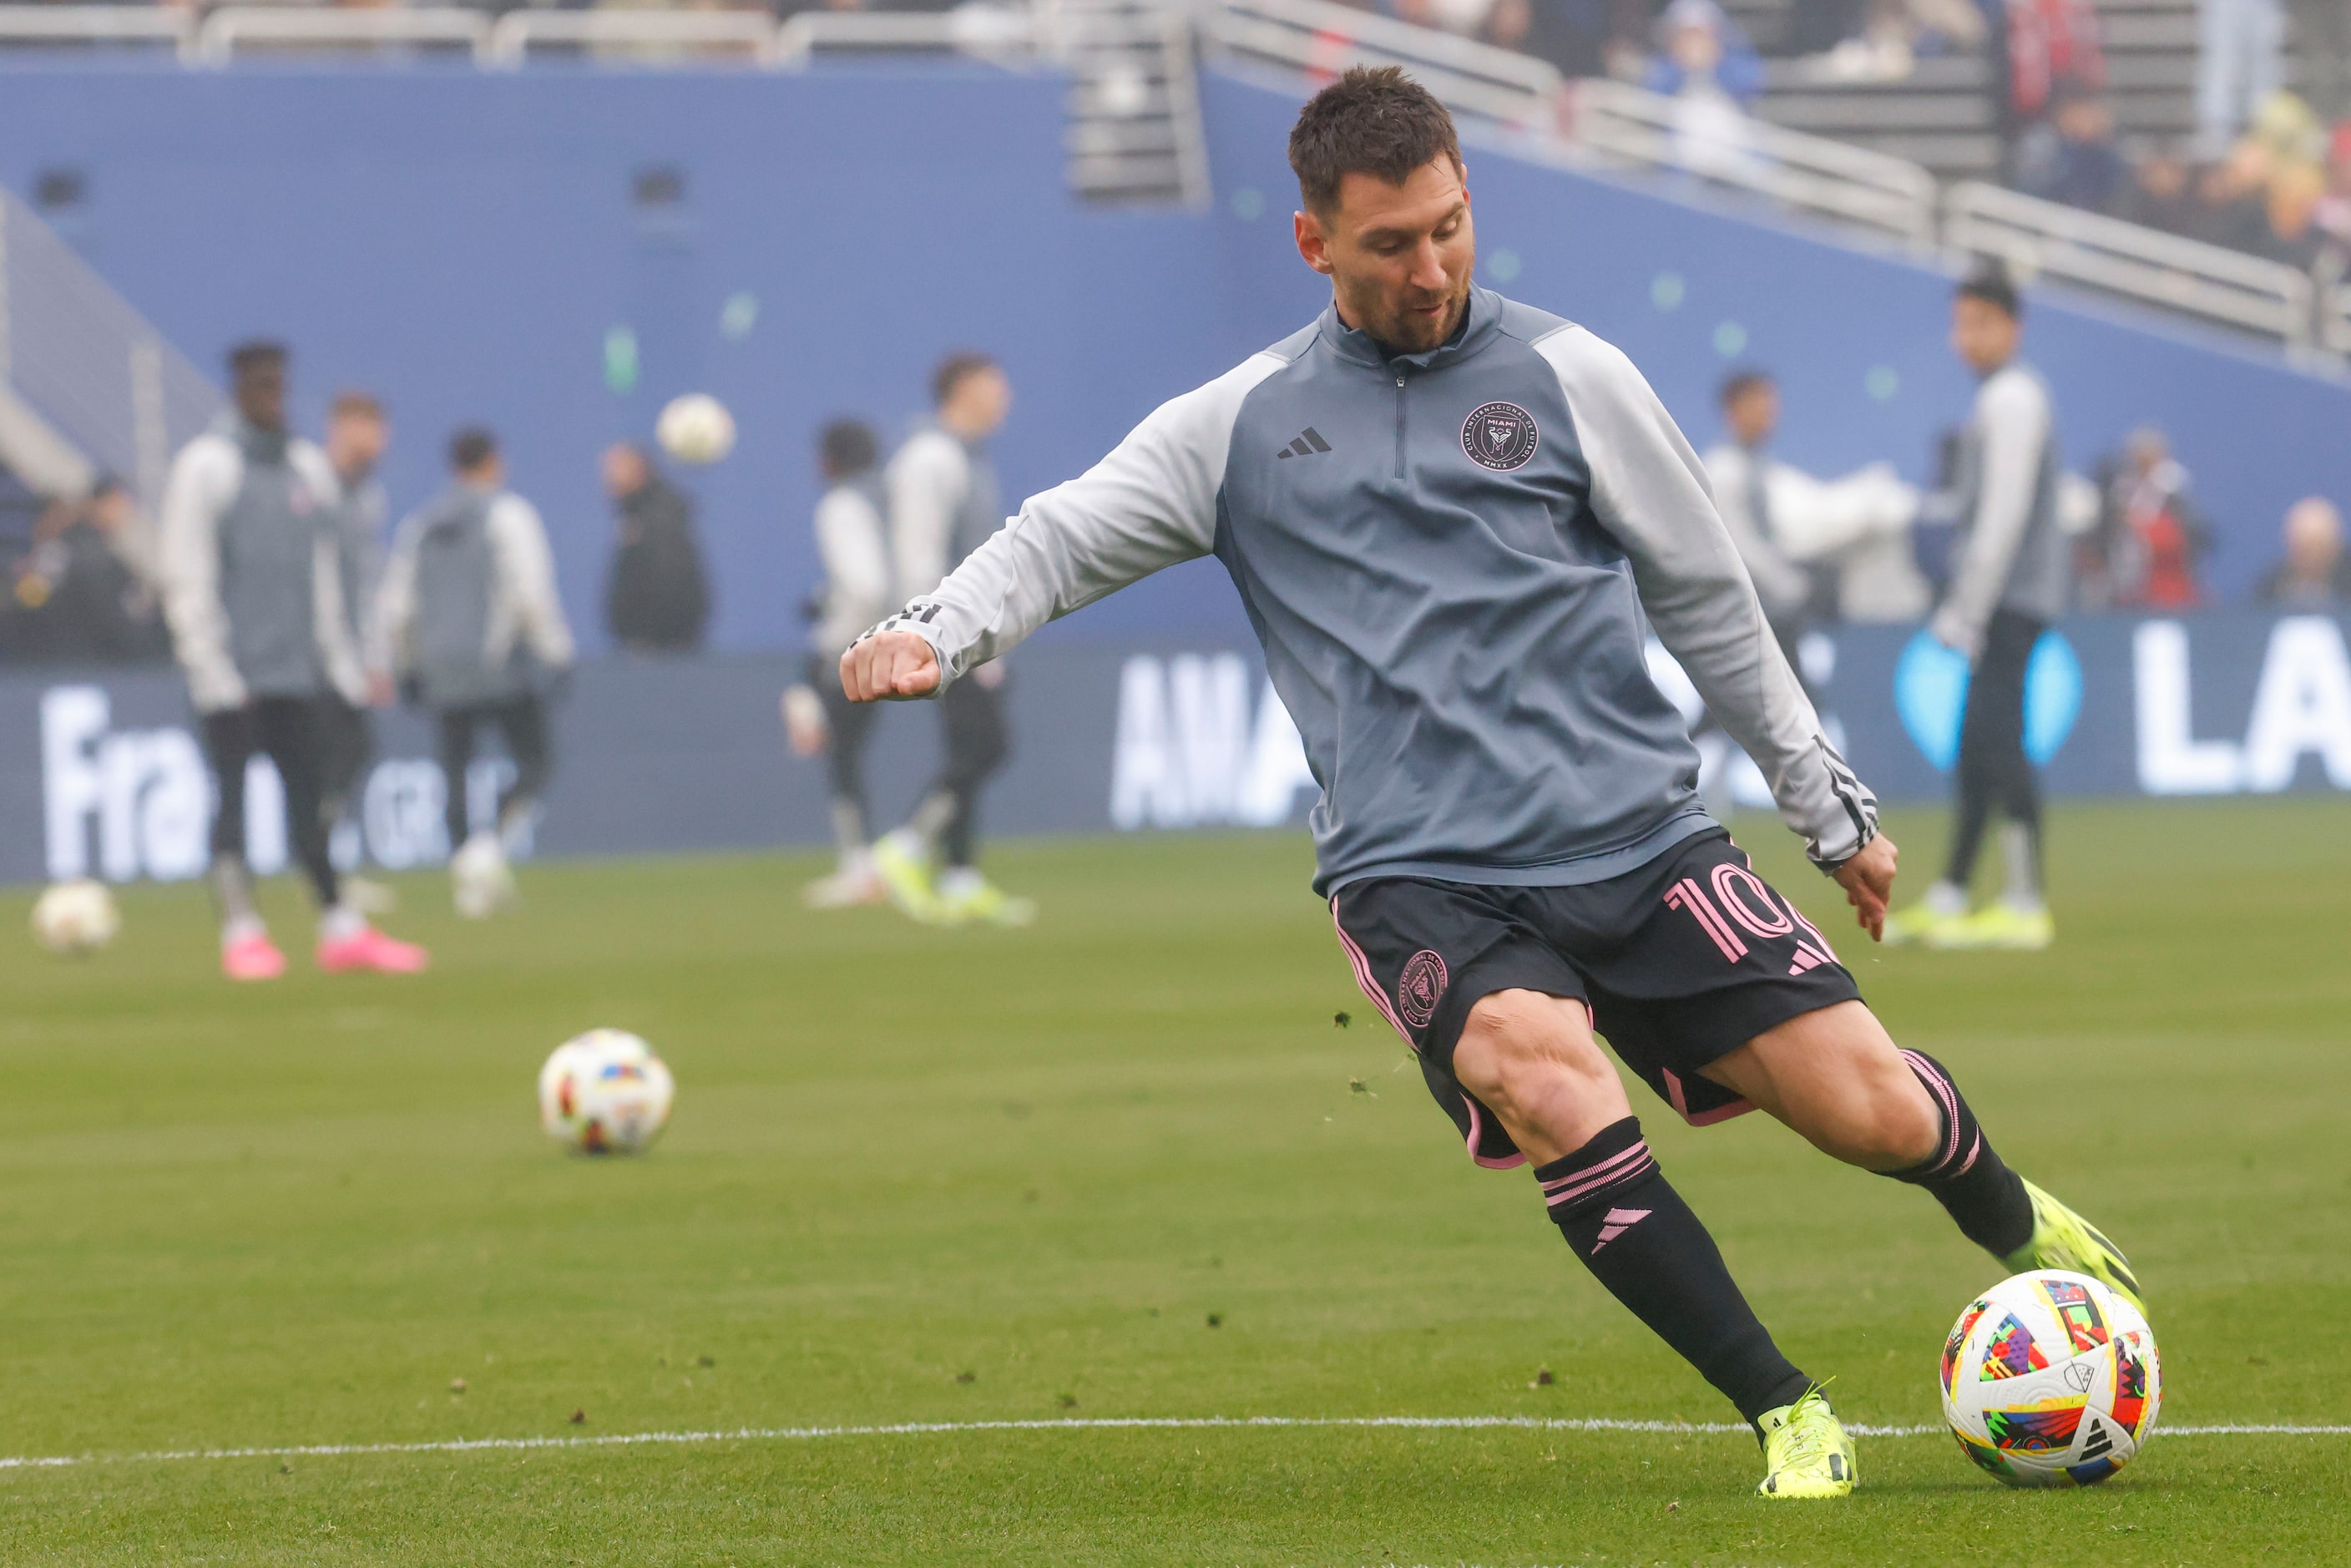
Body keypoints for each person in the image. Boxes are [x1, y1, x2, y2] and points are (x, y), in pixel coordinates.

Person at [842, 68, 2139, 1499]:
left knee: (1872, 1111)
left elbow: (1707, 594)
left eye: (1450, 228)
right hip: (1424, 876)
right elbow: (1056, 536)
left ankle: (2015, 1222)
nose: (1432, 267)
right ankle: (1785, 1408)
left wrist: (1823, 806)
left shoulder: (1576, 377)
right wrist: (932, 629)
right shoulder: (1238, 425)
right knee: (1545, 1077)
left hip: (1640, 840)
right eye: (1391, 242)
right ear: (1313, 243)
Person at [157, 341, 428, 980]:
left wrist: (342, 663)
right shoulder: (207, 467)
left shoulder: (307, 468)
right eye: (260, 386)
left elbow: (328, 577)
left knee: (310, 801)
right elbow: (187, 572)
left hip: (299, 671)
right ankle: (241, 929)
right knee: (232, 800)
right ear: (238, 390)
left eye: (279, 386)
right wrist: (209, 667)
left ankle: (339, 926)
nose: (272, 398)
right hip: (233, 674)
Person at [1884, 268, 2069, 953]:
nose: (1966, 338)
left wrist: (1967, 607)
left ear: (2011, 327)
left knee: (1999, 739)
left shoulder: (2013, 398)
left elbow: (2003, 514)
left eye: (1979, 323)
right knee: (1976, 743)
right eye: (1961, 323)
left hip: (2009, 599)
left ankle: (2024, 901)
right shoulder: (2003, 396)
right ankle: (1954, 893)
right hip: (2007, 598)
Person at [379, 427, 576, 918]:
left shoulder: (419, 524)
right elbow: (531, 591)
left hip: (441, 668)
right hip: (497, 664)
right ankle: (486, 850)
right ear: (494, 461)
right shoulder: (508, 515)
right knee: (536, 760)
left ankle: (468, 876)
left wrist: (405, 663)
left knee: (456, 770)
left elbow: (398, 605)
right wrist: (555, 652)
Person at [866, 353, 1033, 928]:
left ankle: (960, 876)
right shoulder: (931, 457)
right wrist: (938, 638)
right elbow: (918, 555)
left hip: (973, 632)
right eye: (995, 383)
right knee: (985, 746)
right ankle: (906, 846)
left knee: (970, 746)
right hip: (947, 636)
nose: (1005, 395)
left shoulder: (964, 457)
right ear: (962, 389)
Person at [1701, 370, 1927, 634]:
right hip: (1747, 613)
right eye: (1759, 406)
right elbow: (1739, 544)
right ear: (1734, 409)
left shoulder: (1761, 468)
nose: (1768, 415)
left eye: (1770, 406)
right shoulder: (1724, 469)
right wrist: (1794, 588)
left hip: (1774, 611)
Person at [784, 419, 893, 909]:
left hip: (861, 647)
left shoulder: (841, 505)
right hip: (922, 633)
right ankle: (870, 864)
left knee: (841, 754)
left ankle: (861, 868)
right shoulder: (888, 499)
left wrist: (835, 640)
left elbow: (866, 585)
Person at [318, 391, 397, 912]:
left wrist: (374, 658)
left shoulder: (369, 498)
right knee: (333, 758)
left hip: (349, 654)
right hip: (310, 653)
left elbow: (366, 586)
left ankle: (328, 869)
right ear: (338, 428)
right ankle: (323, 872)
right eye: (364, 427)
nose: (375, 440)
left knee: (348, 755)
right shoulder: (312, 490)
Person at [3, 478, 170, 665]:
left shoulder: (74, 547)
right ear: (101, 504)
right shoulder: (88, 552)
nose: (125, 512)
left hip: (63, 658)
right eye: (119, 504)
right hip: (83, 660)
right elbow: (112, 618)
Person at [602, 442, 710, 654]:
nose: (608, 477)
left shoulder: (659, 518)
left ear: (639, 470)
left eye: (616, 468)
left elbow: (673, 580)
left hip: (662, 651)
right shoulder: (634, 515)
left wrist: (650, 639)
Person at [2254, 496, 2351, 607]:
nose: (2313, 556)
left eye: (2319, 546)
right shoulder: (2271, 588)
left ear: (2335, 546)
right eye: (2305, 547)